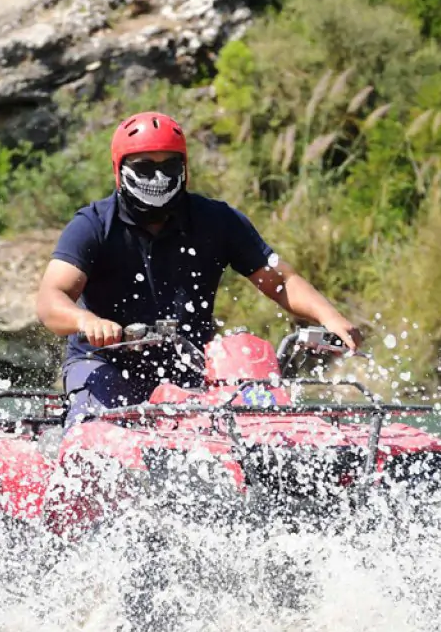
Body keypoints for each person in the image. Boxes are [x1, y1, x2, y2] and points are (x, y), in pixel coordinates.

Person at [36, 111, 361, 426]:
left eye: (169, 165)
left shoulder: (218, 221)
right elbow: (52, 298)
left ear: (185, 167)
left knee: (248, 431)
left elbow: (279, 280)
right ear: (119, 169)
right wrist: (86, 320)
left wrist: (328, 316)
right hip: (103, 365)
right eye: (145, 167)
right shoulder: (92, 225)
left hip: (190, 368)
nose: (159, 177)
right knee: (97, 436)